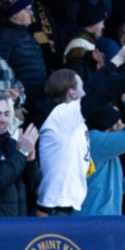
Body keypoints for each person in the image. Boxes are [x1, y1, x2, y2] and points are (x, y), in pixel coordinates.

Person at [78, 92, 125, 216]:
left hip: (98, 219)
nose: (122, 124)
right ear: (105, 125)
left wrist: (123, 186)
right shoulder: (94, 140)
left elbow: (96, 186)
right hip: (93, 222)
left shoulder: (99, 145)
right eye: (116, 121)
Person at [36, 70, 94, 216]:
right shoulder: (62, 114)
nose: (85, 93)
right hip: (54, 204)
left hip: (64, 201)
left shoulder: (73, 119)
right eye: (82, 87)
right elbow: (100, 93)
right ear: (72, 92)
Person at [0, 92, 38, 218]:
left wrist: (31, 162)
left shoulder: (13, 144)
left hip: (18, 223)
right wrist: (22, 153)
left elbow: (34, 188)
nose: (3, 119)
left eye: (6, 114)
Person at [0, 0, 48, 95]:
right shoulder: (4, 36)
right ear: (15, 14)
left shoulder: (24, 33)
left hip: (36, 93)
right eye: (28, 10)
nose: (32, 13)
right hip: (21, 96)